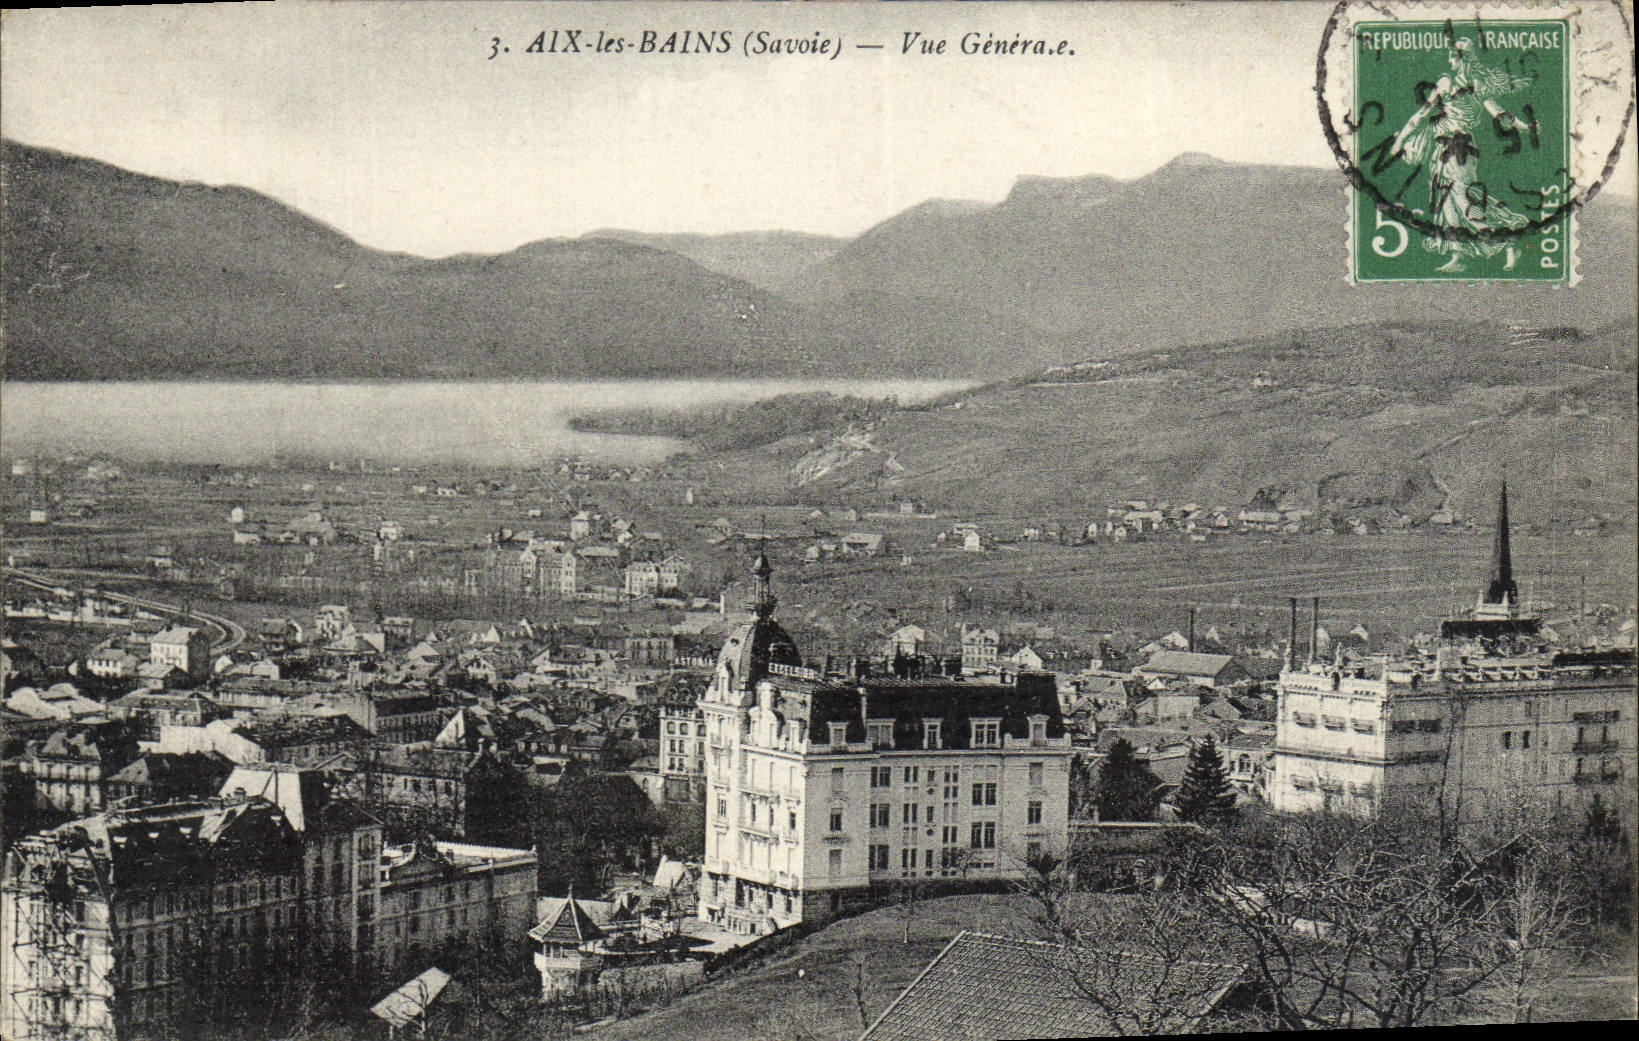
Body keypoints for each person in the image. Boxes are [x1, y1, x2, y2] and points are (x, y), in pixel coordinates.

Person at [1389, 38, 1537, 271]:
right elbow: (1422, 114)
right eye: (1449, 56)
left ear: (1464, 58)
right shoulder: (1445, 82)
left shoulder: (1477, 85)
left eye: (1453, 56)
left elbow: (1500, 114)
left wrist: (1525, 127)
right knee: (1446, 202)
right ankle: (1459, 258)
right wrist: (1399, 140)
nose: (1449, 61)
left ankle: (1507, 241)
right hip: (1441, 149)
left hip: (1461, 150)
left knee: (1463, 198)